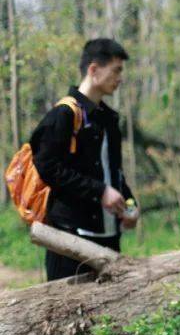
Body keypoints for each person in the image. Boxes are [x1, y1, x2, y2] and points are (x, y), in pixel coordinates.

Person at [29, 39, 138, 281]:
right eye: (116, 70)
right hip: (69, 239)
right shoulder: (64, 115)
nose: (120, 77)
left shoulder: (108, 120)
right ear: (94, 70)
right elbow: (47, 167)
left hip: (109, 238)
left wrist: (129, 204)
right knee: (63, 315)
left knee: (110, 315)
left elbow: (115, 174)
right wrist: (100, 192)